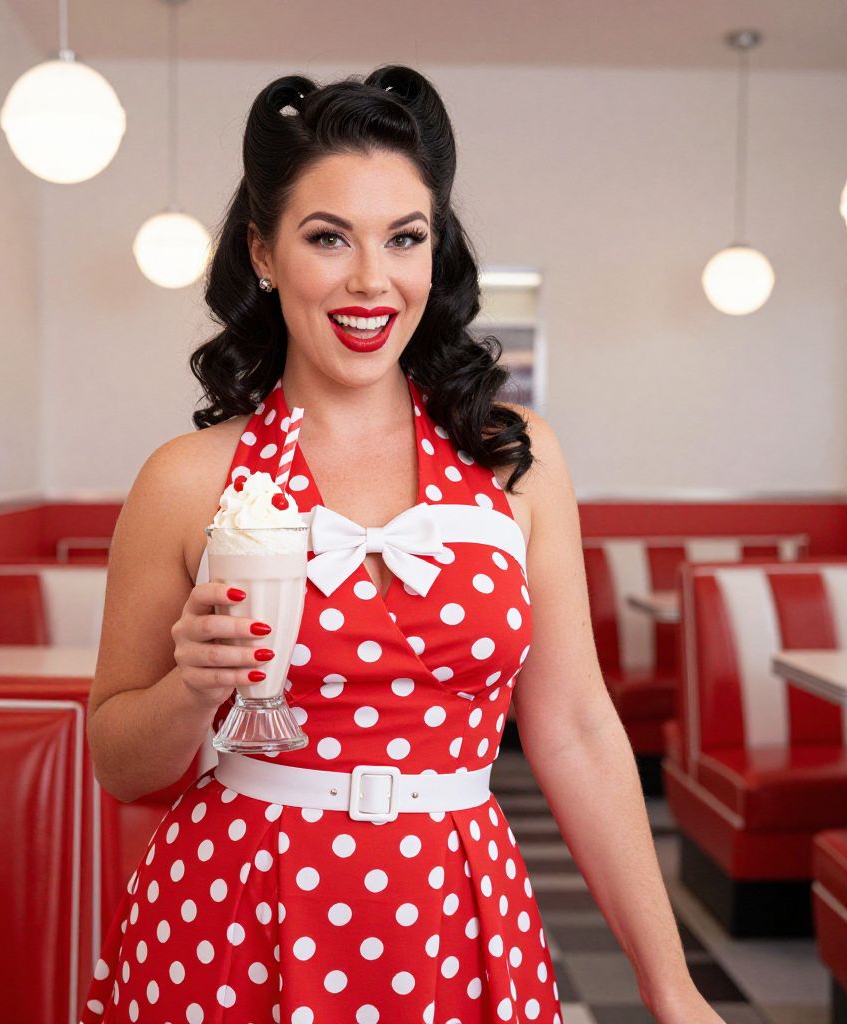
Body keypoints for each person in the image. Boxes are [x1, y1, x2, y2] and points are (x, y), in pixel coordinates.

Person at [81, 65, 725, 1024]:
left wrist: (671, 986)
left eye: (405, 238)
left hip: (455, 914)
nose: (372, 280)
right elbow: (119, 762)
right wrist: (191, 689)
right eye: (328, 237)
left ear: (436, 254)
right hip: (236, 918)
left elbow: (577, 729)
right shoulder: (187, 479)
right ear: (263, 251)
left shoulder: (517, 459)